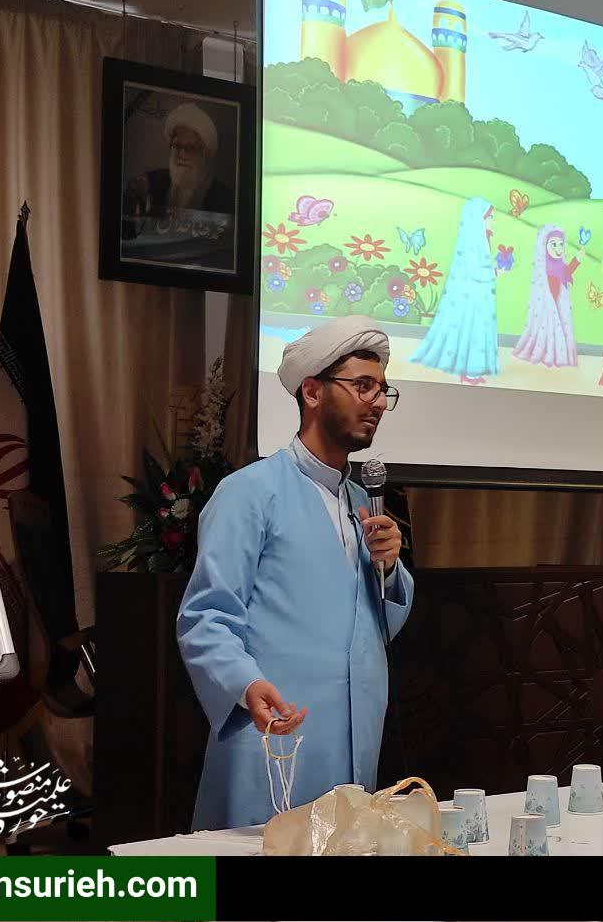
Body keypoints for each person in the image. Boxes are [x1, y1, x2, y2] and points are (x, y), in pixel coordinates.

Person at [177, 316, 412, 831]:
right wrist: (245, 683)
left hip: (353, 740)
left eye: (383, 390)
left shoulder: (361, 501)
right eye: (363, 386)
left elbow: (370, 627)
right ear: (312, 391)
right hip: (275, 736)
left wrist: (390, 569)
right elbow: (205, 618)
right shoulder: (250, 492)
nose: (377, 402)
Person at [410, 197, 501, 385]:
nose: (491, 221)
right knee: (472, 332)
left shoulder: (481, 240)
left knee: (476, 333)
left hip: (479, 297)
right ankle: (468, 372)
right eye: (489, 217)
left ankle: (473, 371)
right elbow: (476, 271)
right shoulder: (473, 243)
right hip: (472, 299)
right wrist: (496, 272)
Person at [126, 102, 234, 218]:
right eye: (177, 145)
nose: (181, 154)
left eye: (190, 147)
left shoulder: (223, 198)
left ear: (204, 155)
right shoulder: (150, 183)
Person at [514, 225, 579, 367]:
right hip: (546, 302)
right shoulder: (542, 267)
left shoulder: (561, 265)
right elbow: (539, 286)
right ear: (544, 245)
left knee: (559, 324)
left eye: (561, 244)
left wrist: (577, 259)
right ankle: (546, 352)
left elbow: (567, 272)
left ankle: (557, 353)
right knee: (546, 326)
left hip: (558, 301)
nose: (558, 248)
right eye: (553, 244)